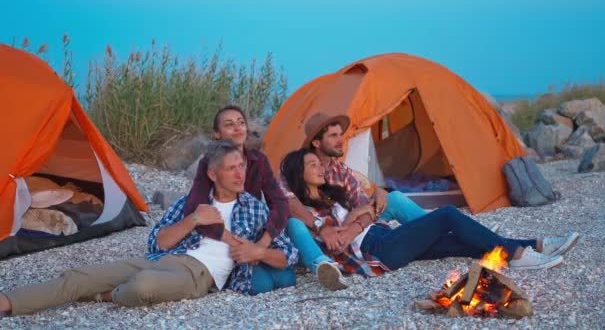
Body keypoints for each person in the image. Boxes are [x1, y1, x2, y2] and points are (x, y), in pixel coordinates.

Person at [0, 141, 298, 316]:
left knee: (143, 286)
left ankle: (106, 295)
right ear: (212, 173)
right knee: (81, 276)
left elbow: (287, 255)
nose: (240, 173)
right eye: (231, 167)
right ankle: (9, 301)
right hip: (164, 260)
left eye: (242, 166)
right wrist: (193, 220)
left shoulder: (255, 209)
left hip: (199, 277)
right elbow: (159, 243)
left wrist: (258, 251)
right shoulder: (191, 203)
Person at [281, 148, 579, 290]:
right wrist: (351, 222)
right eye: (312, 165)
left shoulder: (333, 194)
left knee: (458, 242)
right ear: (299, 173)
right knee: (448, 215)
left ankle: (536, 245)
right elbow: (334, 236)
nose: (321, 168)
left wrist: (357, 218)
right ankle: (516, 255)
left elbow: (370, 209)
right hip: (378, 250)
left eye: (319, 163)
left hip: (381, 234)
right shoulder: (309, 211)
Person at [281, 112, 428, 290]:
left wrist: (375, 197)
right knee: (294, 222)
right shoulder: (296, 167)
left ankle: (432, 231)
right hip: (318, 236)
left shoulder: (342, 172)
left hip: (347, 229)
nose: (340, 140)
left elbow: (364, 204)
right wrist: (321, 227)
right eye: (333, 136)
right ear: (317, 143)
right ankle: (324, 266)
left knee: (393, 198)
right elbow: (286, 201)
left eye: (340, 135)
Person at [185, 105, 289, 250]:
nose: (238, 128)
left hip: (252, 226)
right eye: (229, 125)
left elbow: (279, 202)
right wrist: (233, 241)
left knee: (293, 229)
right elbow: (194, 206)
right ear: (217, 133)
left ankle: (322, 264)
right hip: (222, 228)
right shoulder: (209, 162)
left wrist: (263, 243)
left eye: (241, 123)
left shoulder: (258, 160)